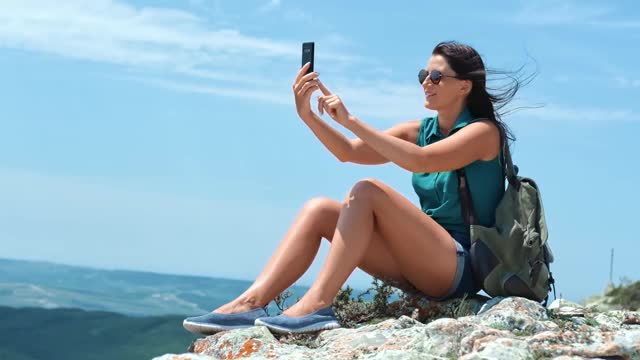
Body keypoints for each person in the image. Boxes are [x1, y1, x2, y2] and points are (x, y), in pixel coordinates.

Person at [183, 41, 522, 335]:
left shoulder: (483, 133)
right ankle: (249, 304)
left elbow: (422, 161)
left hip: (458, 266)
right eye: (423, 75)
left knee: (368, 190)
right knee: (319, 210)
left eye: (436, 77)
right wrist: (310, 116)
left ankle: (317, 304)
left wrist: (350, 120)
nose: (426, 83)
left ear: (464, 86)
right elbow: (349, 152)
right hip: (418, 261)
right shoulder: (419, 129)